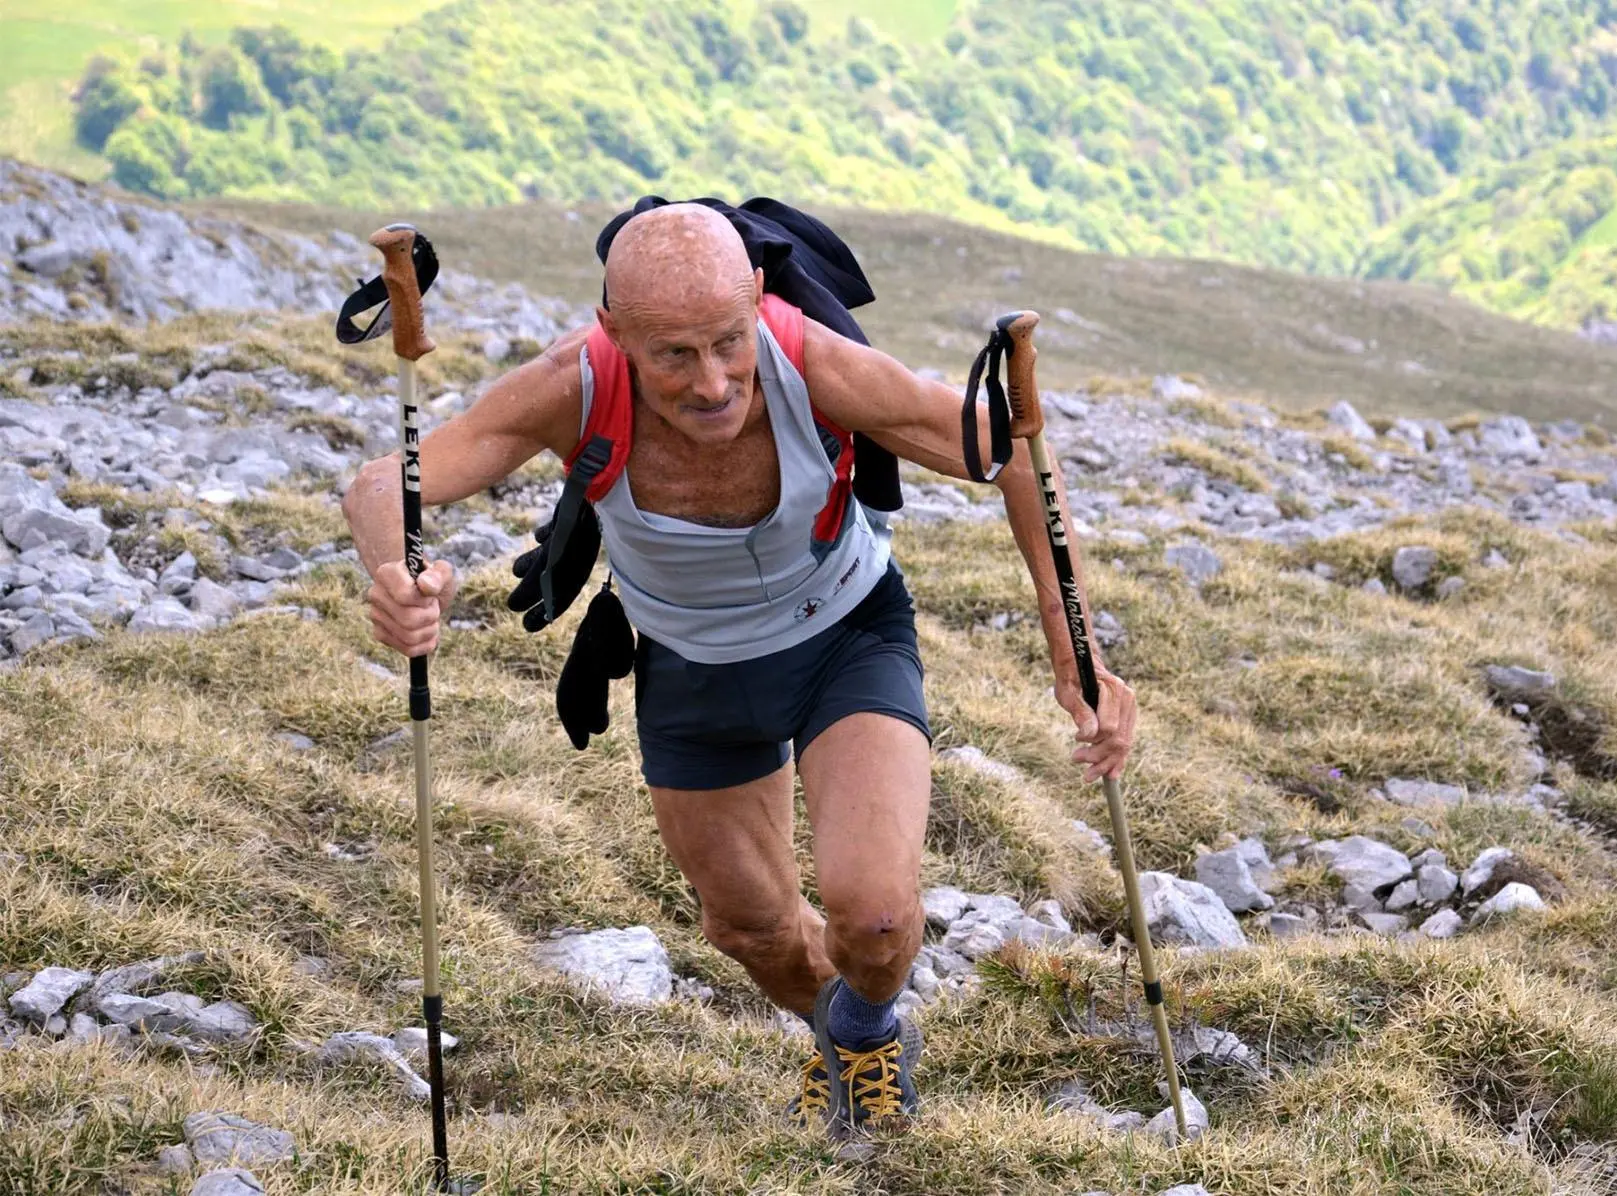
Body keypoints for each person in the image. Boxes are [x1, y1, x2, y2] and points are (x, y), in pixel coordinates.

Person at [340, 203, 1137, 1137]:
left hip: (845, 636)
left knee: (876, 921)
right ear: (615, 331)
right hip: (692, 666)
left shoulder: (812, 363)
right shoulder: (572, 385)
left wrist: (1069, 645)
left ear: (757, 301)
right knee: (749, 929)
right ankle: (841, 1037)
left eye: (728, 341)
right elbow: (381, 488)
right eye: (674, 355)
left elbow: (1008, 451)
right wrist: (396, 576)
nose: (714, 383)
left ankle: (866, 1027)